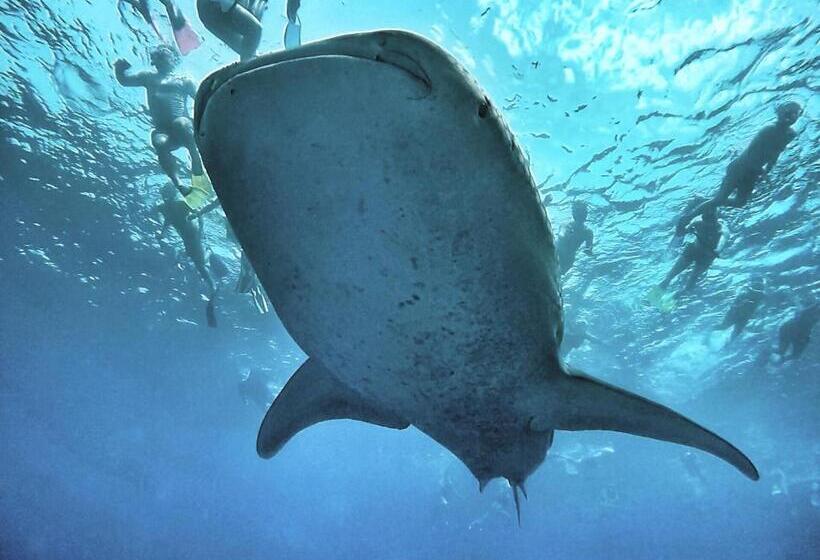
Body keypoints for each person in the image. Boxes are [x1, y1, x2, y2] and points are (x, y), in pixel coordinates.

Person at [676, 101, 802, 235]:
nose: (792, 117)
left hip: (752, 172)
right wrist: (761, 171)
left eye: (796, 114)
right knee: (719, 200)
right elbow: (751, 155)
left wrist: (767, 171)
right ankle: (686, 219)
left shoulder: (790, 135)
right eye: (789, 113)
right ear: (780, 114)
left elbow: (776, 153)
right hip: (740, 167)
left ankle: (704, 201)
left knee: (740, 202)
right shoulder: (768, 130)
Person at [114, 46, 214, 207]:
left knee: (180, 123)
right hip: (163, 131)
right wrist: (118, 69)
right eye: (159, 57)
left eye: (166, 56)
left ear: (174, 60)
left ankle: (197, 165)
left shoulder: (184, 80)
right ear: (154, 61)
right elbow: (125, 81)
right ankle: (179, 184)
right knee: (158, 141)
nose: (163, 59)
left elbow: (200, 100)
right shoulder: (147, 77)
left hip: (183, 125)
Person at [156, 182, 217, 326]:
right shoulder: (165, 208)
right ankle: (206, 259)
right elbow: (167, 222)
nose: (166, 196)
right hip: (189, 240)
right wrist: (162, 234)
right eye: (164, 194)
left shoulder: (180, 205)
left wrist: (202, 232)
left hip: (194, 239)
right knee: (196, 264)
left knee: (201, 267)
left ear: (173, 193)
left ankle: (209, 255)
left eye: (168, 193)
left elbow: (199, 213)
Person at [658, 206, 722, 293]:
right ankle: (659, 291)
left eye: (711, 222)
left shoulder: (721, 229)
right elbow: (683, 231)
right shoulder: (698, 223)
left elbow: (723, 239)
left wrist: (718, 249)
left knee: (690, 283)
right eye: (706, 221)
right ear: (703, 218)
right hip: (693, 250)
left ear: (716, 219)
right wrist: (684, 228)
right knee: (670, 275)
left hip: (707, 256)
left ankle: (678, 296)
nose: (708, 225)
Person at [197, 0, 269, 61]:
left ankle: (248, 65)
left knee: (249, 48)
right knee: (254, 31)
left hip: (209, 12)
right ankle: (247, 67)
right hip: (213, 7)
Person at [124, 0, 202, 55]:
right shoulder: (193, 44)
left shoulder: (192, 44)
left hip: (174, 33)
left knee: (148, 13)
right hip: (176, 31)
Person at [555, 200, 594, 276]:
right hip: (557, 251)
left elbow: (589, 246)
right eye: (578, 211)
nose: (580, 214)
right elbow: (561, 235)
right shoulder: (566, 225)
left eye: (582, 212)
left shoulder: (588, 232)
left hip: (568, 258)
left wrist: (588, 250)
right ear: (573, 213)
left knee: (557, 274)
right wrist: (566, 235)